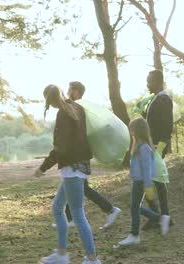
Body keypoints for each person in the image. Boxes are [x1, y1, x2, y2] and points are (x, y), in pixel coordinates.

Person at [34, 85, 101, 264]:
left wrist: (43, 167)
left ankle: (93, 259)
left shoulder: (63, 114)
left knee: (78, 214)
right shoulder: (76, 107)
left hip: (72, 168)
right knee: (57, 208)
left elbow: (60, 148)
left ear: (49, 101)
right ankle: (62, 254)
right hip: (80, 165)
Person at [55, 81, 122, 230]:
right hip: (79, 156)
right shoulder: (79, 108)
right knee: (76, 185)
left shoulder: (77, 108)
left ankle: (109, 210)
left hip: (78, 156)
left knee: (79, 186)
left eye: (70, 89)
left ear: (76, 92)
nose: (67, 92)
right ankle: (71, 218)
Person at [118, 118, 161, 246]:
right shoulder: (138, 147)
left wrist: (147, 186)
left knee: (134, 207)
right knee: (135, 207)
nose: (131, 132)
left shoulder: (144, 149)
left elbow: (147, 169)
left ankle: (134, 235)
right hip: (138, 181)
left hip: (142, 182)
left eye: (132, 130)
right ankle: (158, 218)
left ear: (138, 131)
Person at [140, 69, 172, 234]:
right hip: (151, 144)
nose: (147, 83)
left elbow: (167, 125)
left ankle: (159, 216)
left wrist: (160, 147)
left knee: (152, 179)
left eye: (149, 80)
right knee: (153, 179)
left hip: (157, 146)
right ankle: (160, 215)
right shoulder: (156, 99)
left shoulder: (163, 99)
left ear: (158, 81)